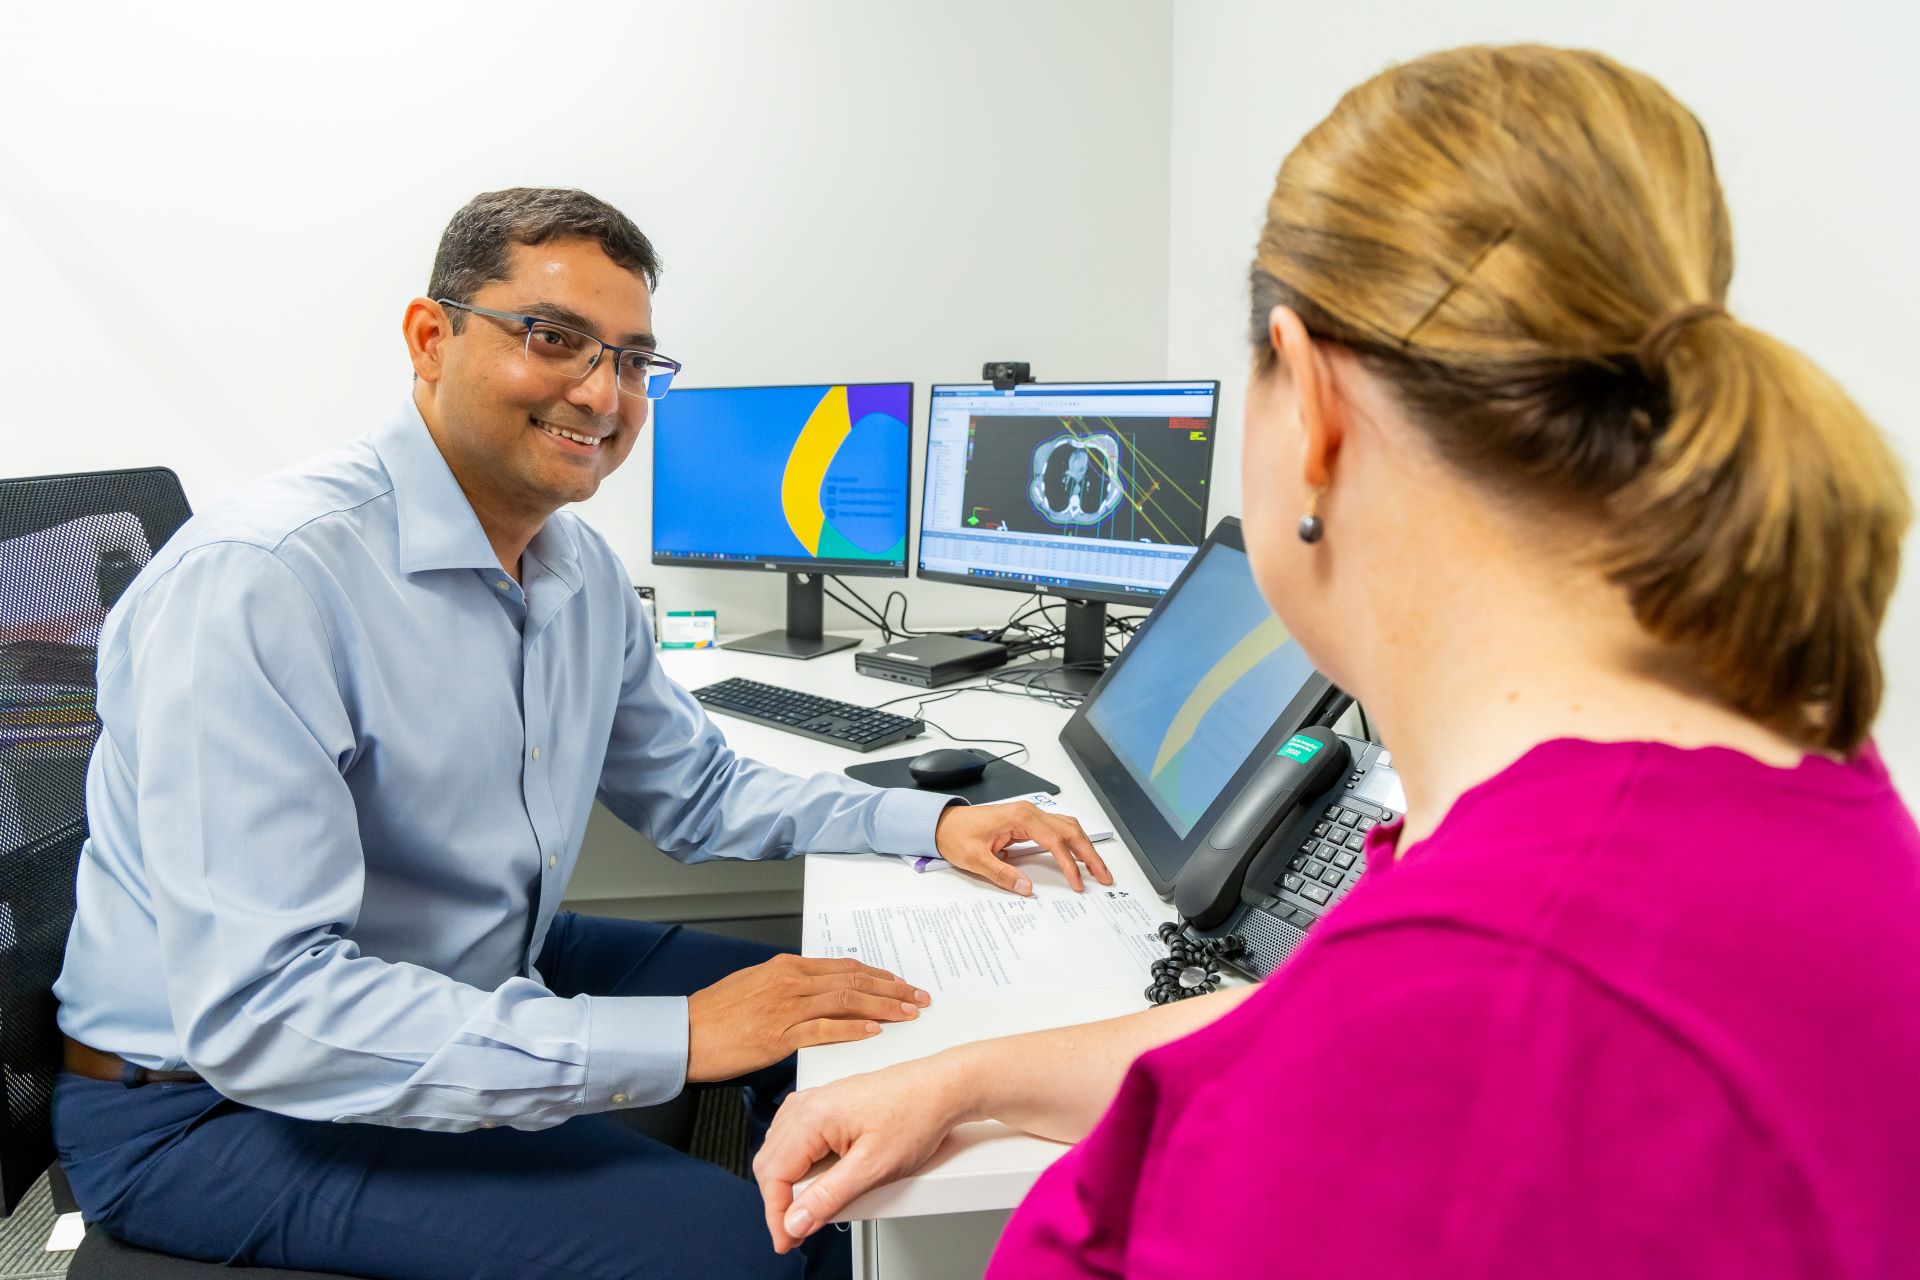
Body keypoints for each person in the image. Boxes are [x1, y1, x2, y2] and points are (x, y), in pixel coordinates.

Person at [753, 45, 1920, 1278]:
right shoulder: (1780, 801)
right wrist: (970, 1075)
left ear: (1310, 405)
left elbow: (1389, 1042)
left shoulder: (1465, 1011)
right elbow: (1292, 1016)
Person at [50, 186, 1111, 1280]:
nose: (604, 392)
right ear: (431, 337)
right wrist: (685, 1035)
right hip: (210, 1103)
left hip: (460, 964)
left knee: (837, 1017)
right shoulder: (263, 584)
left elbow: (697, 793)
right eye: (554, 339)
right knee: (758, 1252)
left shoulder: (574, 568)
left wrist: (932, 820)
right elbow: (268, 1012)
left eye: (635, 359)